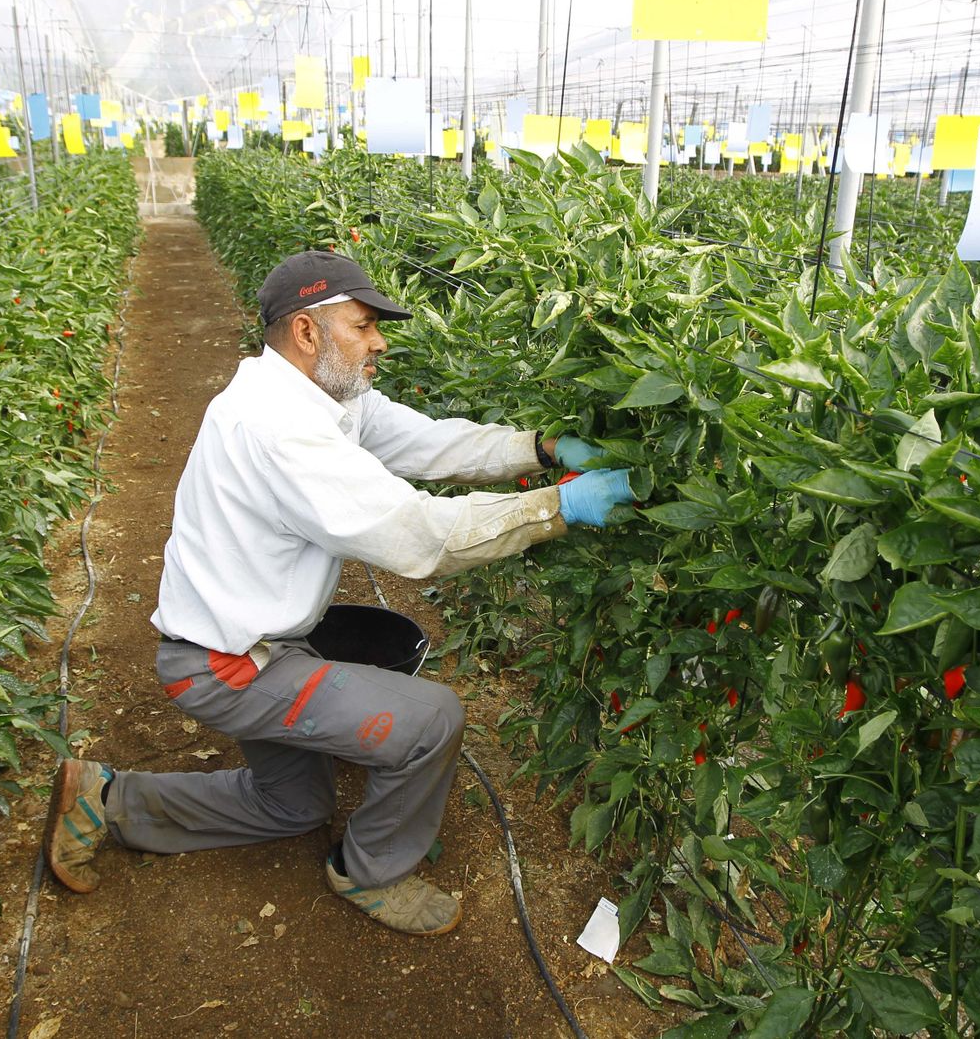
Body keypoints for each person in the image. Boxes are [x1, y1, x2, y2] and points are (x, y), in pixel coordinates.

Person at [43, 250, 634, 936]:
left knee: (292, 807)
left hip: (256, 641)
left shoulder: (322, 395)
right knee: (431, 719)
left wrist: (542, 445)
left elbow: (430, 444)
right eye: (363, 325)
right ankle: (371, 873)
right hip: (229, 665)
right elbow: (418, 537)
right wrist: (558, 509)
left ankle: (107, 799)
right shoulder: (276, 427)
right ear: (306, 332)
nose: (379, 340)